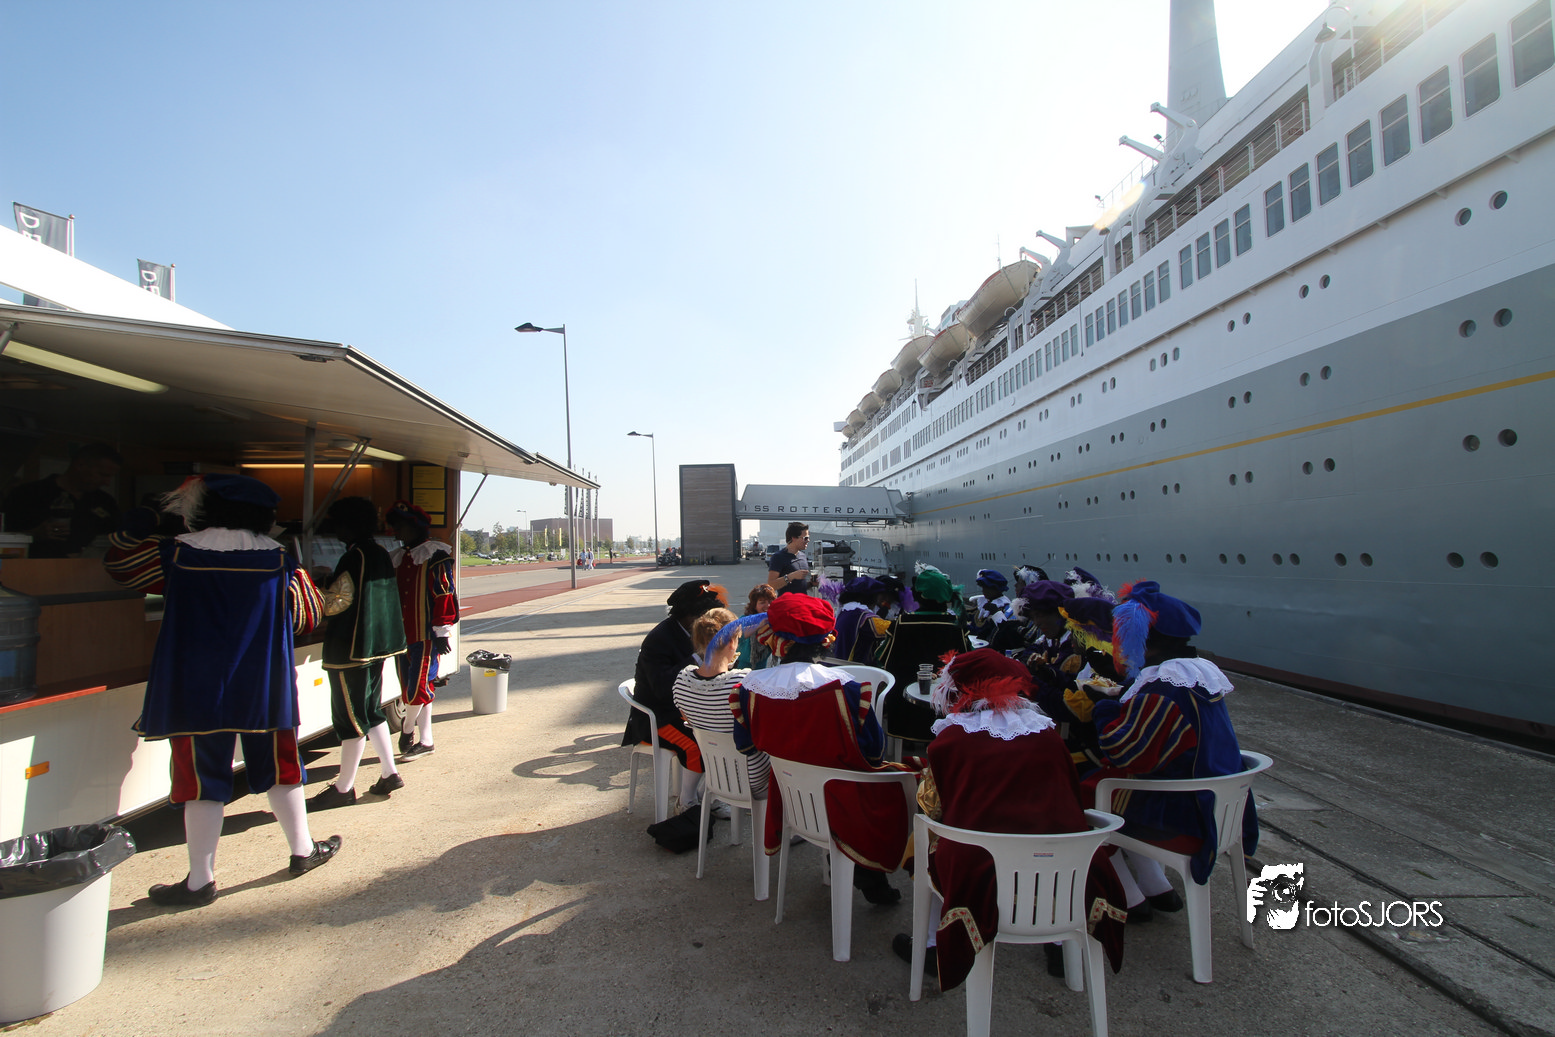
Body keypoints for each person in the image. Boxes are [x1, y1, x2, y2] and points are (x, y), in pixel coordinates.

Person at [103, 473, 339, 906]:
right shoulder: (280, 560)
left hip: (195, 687)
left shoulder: (176, 554)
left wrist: (141, 521)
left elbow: (121, 565)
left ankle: (200, 880)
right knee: (281, 768)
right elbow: (307, 615)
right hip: (263, 686)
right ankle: (303, 850)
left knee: (200, 781)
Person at [893, 648, 1127, 989]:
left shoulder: (951, 741)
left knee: (923, 840)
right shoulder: (1049, 737)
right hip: (1061, 870)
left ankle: (931, 946)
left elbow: (934, 809)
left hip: (983, 871)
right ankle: (1058, 943)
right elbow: (1068, 801)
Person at [1084, 580, 1258, 915]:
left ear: (1142, 638)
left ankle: (1129, 900)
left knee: (1080, 798)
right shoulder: (1197, 677)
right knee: (1098, 786)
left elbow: (1122, 751)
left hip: (1185, 814)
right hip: (1217, 802)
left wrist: (1103, 707)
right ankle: (1156, 886)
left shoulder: (1165, 689)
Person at [731, 592, 916, 905]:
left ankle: (852, 867)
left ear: (775, 639)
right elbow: (873, 753)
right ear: (826, 639)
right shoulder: (848, 688)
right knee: (908, 779)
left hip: (788, 795)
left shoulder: (750, 689)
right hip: (842, 798)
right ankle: (868, 870)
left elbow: (745, 745)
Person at [312, 497, 407, 808]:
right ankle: (389, 771)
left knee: (350, 718)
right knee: (370, 710)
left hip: (351, 648)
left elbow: (337, 602)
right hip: (376, 646)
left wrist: (314, 590)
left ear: (348, 525)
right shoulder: (378, 552)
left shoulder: (353, 556)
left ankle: (344, 788)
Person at [622, 579, 727, 811]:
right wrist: (699, 658)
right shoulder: (659, 639)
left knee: (725, 737)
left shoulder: (695, 631)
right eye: (705, 614)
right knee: (698, 745)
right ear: (689, 616)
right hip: (657, 717)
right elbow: (661, 687)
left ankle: (708, 795)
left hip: (687, 709)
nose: (710, 620)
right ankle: (686, 802)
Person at [672, 607, 768, 805]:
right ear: (732, 642)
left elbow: (690, 719)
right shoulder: (744, 681)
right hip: (751, 777)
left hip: (714, 771)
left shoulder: (682, 680)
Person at [385, 501, 458, 761]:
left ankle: (407, 730)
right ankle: (426, 740)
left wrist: (442, 631)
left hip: (425, 634)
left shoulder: (435, 555)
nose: (397, 532)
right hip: (401, 635)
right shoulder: (398, 557)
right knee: (411, 687)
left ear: (415, 527)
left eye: (401, 526)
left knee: (417, 688)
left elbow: (444, 593)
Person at [876, 565, 968, 745]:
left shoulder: (902, 623)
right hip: (945, 706)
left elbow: (882, 658)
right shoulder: (956, 626)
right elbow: (967, 659)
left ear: (920, 596)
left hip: (905, 707)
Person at [4, 442, 122, 557]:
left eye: (110, 477)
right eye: (102, 475)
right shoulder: (29, 493)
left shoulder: (105, 501)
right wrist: (34, 535)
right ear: (80, 465)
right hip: (37, 567)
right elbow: (5, 535)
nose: (107, 482)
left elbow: (118, 539)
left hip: (90, 568)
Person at [831, 575, 890, 662]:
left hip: (840, 664)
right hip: (854, 667)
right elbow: (891, 630)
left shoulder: (845, 611)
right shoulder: (863, 616)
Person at [965, 569, 1017, 648]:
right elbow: (974, 621)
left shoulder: (1002, 607)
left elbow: (986, 631)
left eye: (986, 588)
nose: (983, 591)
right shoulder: (985, 603)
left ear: (995, 588)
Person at [735, 583, 776, 669]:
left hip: (761, 668)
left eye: (770, 602)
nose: (768, 605)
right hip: (741, 667)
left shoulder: (774, 621)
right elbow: (735, 638)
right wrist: (757, 626)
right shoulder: (745, 620)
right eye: (762, 602)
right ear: (754, 605)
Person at [766, 521, 811, 595]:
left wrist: (811, 584)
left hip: (802, 600)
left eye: (808, 538)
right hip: (786, 601)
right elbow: (771, 585)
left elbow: (798, 587)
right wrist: (790, 577)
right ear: (794, 538)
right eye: (805, 538)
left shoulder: (803, 556)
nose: (808, 541)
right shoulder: (778, 557)